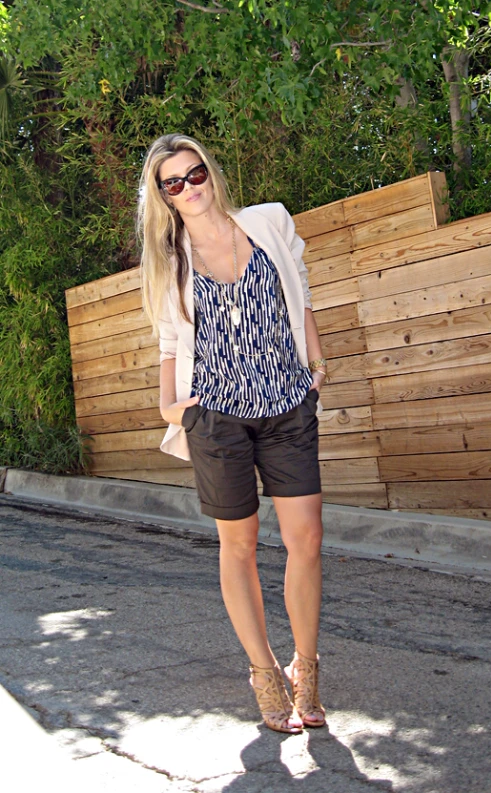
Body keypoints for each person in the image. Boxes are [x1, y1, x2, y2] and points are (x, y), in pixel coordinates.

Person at [138, 133, 327, 734]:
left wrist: (317, 367)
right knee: (239, 545)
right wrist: (172, 408)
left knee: (307, 539)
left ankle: (307, 665)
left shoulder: (268, 223)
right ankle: (264, 672)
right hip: (215, 418)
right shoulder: (170, 262)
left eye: (195, 174)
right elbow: (171, 343)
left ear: (210, 172)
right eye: (173, 183)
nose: (189, 188)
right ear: (162, 197)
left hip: (287, 406)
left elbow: (301, 295)